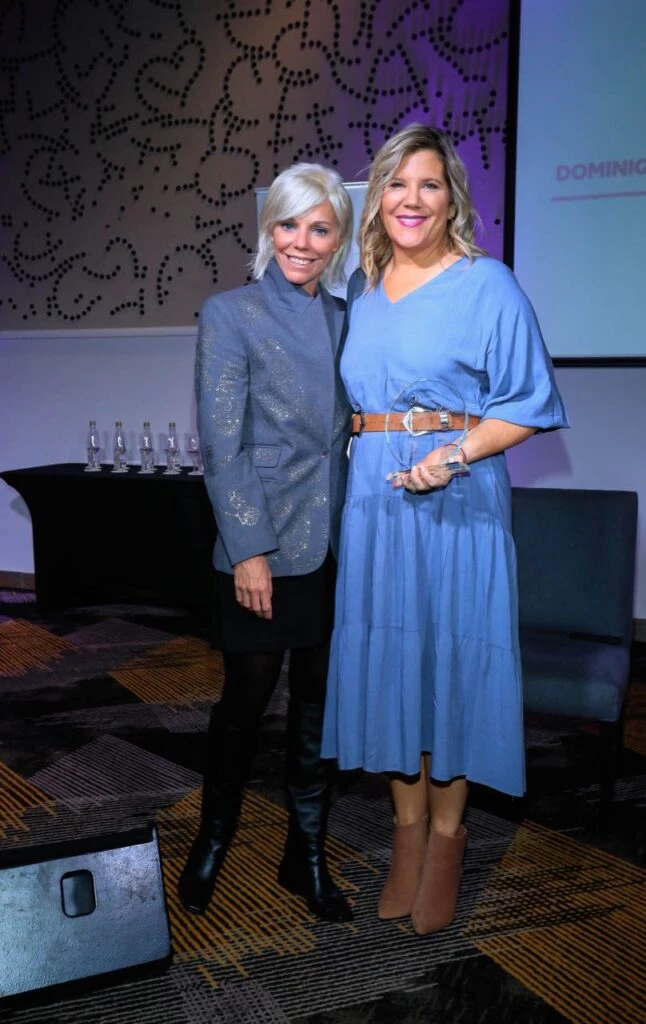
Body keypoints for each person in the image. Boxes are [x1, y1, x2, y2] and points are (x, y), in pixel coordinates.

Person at [321, 124, 569, 935]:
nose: (412, 200)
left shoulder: (486, 284)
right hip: (375, 505)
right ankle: (405, 839)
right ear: (378, 197)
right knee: (393, 663)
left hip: (457, 503)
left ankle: (448, 843)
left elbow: (527, 406)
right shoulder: (362, 288)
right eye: (397, 184)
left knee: (453, 668)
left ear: (451, 197)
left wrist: (452, 455)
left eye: (429, 185)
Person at [179, 163, 354, 923]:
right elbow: (222, 443)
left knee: (317, 707)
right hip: (261, 542)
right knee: (245, 701)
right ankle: (213, 837)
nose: (303, 243)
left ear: (340, 237)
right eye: (289, 225)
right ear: (267, 229)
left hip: (335, 539)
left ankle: (303, 854)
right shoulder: (230, 313)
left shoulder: (351, 317)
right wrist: (248, 548)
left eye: (320, 228)